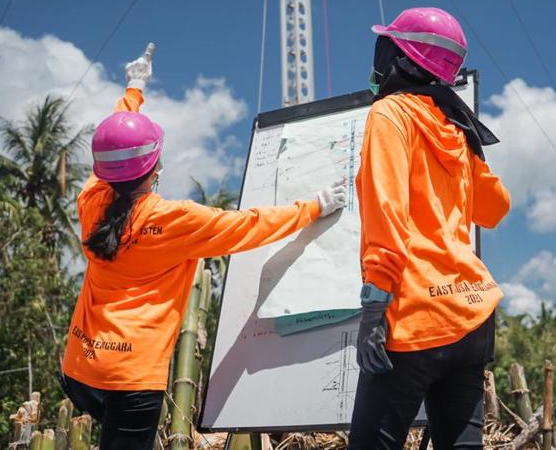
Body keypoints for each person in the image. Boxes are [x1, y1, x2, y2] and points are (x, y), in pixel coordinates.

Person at [60, 43, 346, 450]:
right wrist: (313, 205)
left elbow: (113, 140)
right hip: (131, 378)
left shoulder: (91, 201)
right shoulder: (174, 220)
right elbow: (249, 226)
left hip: (81, 369)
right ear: (155, 167)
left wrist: (133, 89)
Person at [348, 7, 511, 450]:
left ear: (401, 59)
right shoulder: (456, 125)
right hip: (471, 315)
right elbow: (496, 208)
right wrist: (470, 155)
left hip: (415, 316)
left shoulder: (391, 114)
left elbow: (387, 213)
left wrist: (372, 310)